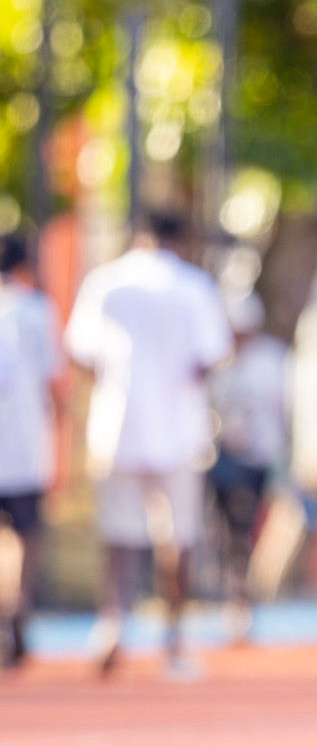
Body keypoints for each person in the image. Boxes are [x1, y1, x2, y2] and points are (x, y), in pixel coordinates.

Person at [64, 212, 233, 675]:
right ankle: (174, 641)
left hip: (117, 425)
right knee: (177, 539)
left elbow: (82, 354)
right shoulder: (194, 287)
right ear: (176, 239)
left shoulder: (106, 283)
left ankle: (112, 626)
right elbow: (212, 357)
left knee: (118, 538)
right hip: (179, 431)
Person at [206, 291, 290, 640]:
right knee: (224, 531)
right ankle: (234, 596)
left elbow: (280, 410)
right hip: (221, 457)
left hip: (256, 459)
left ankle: (242, 599)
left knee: (244, 528)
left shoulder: (271, 360)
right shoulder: (218, 361)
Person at [0, 234, 65, 668]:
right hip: (22, 443)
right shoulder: (38, 310)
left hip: (21, 440)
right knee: (27, 535)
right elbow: (54, 381)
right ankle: (18, 608)